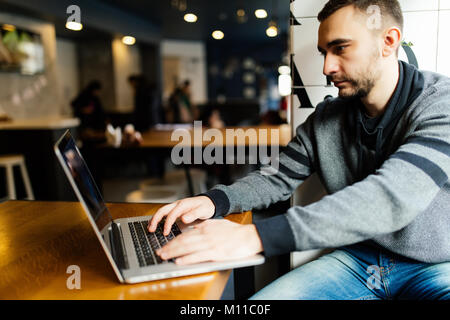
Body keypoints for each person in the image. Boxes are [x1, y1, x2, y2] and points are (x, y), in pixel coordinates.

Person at [148, 0, 450, 300]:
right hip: (358, 260)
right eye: (324, 53)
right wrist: (215, 201)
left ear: (388, 41)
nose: (327, 67)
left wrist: (256, 236)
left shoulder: (441, 105)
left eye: (340, 48)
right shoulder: (326, 118)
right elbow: (277, 177)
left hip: (437, 268)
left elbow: (391, 198)